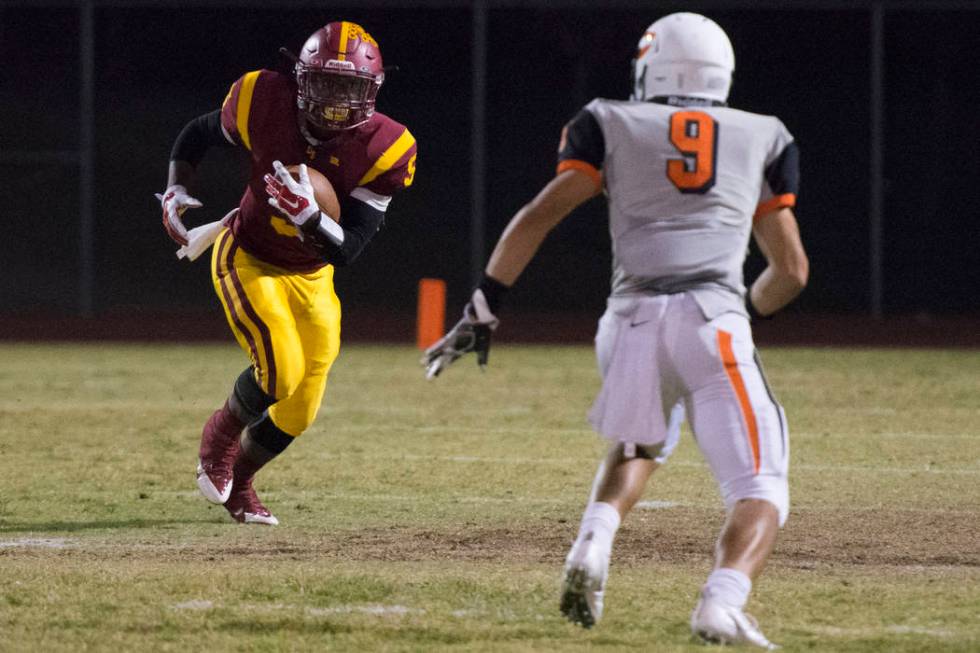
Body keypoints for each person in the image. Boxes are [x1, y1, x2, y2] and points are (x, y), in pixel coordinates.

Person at [422, 12, 807, 648]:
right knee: (760, 484)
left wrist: (483, 308)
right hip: (713, 318)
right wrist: (748, 313)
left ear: (652, 66)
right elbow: (790, 270)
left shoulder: (609, 120)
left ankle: (593, 541)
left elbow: (539, 215)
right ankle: (721, 601)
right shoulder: (764, 135)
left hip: (627, 320)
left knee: (641, 443)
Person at [158, 21, 417, 525]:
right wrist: (175, 186)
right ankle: (218, 443)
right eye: (326, 83)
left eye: (351, 88)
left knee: (302, 405)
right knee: (280, 370)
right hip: (248, 255)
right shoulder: (260, 96)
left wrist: (311, 218)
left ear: (374, 90)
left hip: (314, 272)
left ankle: (242, 485)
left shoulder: (388, 147)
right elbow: (198, 133)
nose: (337, 101)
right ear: (299, 78)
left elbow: (351, 248)